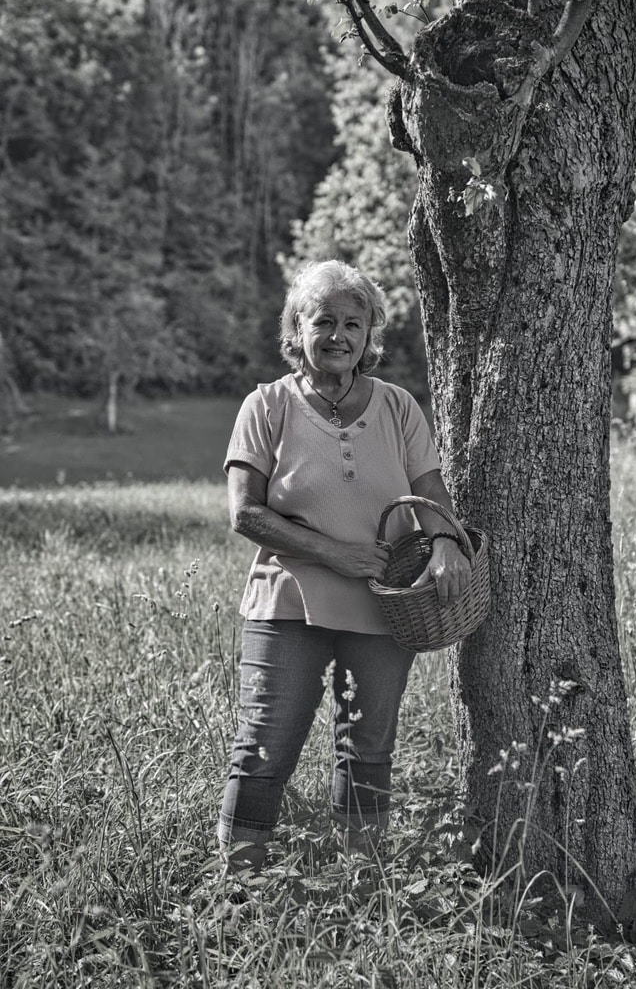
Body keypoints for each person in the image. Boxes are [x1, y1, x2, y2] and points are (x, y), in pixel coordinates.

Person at [218, 259, 471, 880]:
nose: (338, 335)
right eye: (322, 320)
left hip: (383, 606)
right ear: (296, 328)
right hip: (287, 602)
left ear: (370, 334)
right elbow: (244, 513)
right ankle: (239, 885)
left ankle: (358, 881)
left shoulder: (398, 406)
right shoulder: (267, 405)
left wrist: (443, 544)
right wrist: (337, 552)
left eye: (353, 323)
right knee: (265, 747)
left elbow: (431, 494)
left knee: (367, 750)